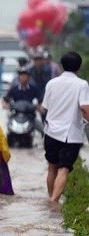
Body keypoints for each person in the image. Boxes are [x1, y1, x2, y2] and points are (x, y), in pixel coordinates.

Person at [39, 51, 89, 203]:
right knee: (64, 168)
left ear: (61, 66)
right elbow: (85, 108)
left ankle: (50, 199)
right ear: (79, 68)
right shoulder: (82, 85)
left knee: (52, 167)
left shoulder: (51, 83)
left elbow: (43, 108)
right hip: (71, 134)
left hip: (51, 132)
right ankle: (54, 201)